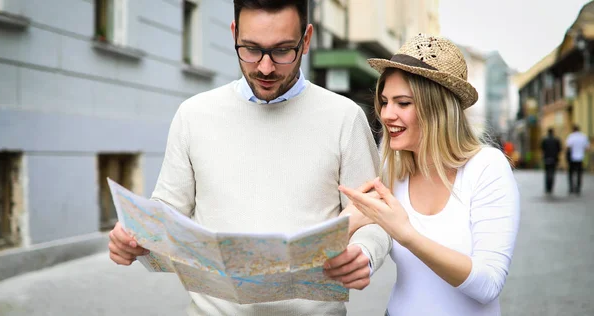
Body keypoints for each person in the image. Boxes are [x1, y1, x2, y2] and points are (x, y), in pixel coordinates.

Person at [107, 1, 391, 315]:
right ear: (234, 34)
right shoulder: (193, 115)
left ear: (306, 40)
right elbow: (169, 208)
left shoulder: (344, 118)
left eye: (283, 51)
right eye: (251, 49)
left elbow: (374, 216)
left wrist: (365, 252)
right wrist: (135, 234)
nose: (265, 68)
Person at [332, 34, 521, 316]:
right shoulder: (393, 171)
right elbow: (349, 229)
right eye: (384, 101)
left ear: (438, 109)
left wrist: (406, 234)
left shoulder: (487, 167)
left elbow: (488, 284)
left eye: (403, 103)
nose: (386, 114)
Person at [566, 125, 591, 195]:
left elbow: (568, 146)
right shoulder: (583, 137)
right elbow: (587, 148)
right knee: (579, 173)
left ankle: (571, 187)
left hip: (572, 158)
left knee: (571, 173)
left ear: (573, 130)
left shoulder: (571, 136)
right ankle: (578, 188)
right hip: (580, 158)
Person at [541, 128, 561, 195]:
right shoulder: (556, 140)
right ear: (553, 132)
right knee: (552, 173)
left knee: (547, 173)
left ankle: (547, 188)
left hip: (546, 158)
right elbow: (559, 149)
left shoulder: (544, 140)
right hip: (554, 159)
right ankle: (551, 187)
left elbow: (542, 148)